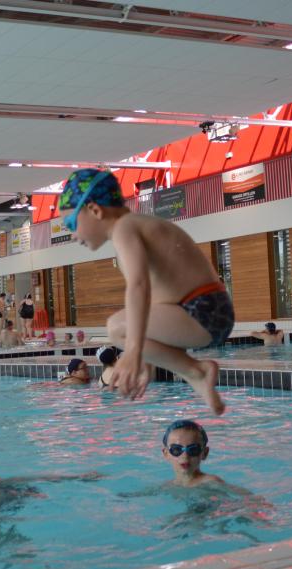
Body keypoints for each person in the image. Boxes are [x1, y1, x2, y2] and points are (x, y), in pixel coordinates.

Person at [59, 168, 232, 414]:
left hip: (203, 312)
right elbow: (156, 300)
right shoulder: (138, 226)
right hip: (205, 310)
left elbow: (139, 287)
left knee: (117, 327)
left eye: (70, 224)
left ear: (94, 210)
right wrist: (148, 360)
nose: (73, 236)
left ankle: (196, 371)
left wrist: (132, 351)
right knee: (127, 324)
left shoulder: (124, 228)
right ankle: (196, 373)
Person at [159, 420, 228, 488]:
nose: (185, 456)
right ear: (166, 454)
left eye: (193, 449)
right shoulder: (167, 486)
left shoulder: (211, 482)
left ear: (205, 453)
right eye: (177, 449)